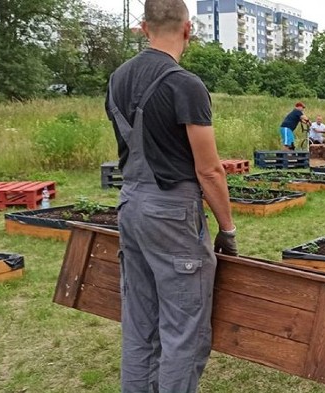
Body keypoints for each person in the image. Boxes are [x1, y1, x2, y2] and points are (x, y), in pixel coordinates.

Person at [105, 0, 238, 391]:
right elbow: (209, 169)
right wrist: (227, 229)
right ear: (187, 29)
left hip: (131, 205)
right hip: (172, 212)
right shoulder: (185, 84)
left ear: (145, 28)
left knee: (140, 327)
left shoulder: (117, 79)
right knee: (185, 333)